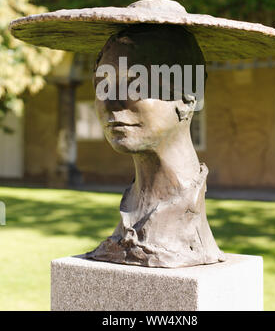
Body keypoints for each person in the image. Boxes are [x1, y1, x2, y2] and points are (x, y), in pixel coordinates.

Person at [86, 23, 225, 267]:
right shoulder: (128, 217)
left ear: (188, 96)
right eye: (103, 83)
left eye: (136, 82)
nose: (111, 102)